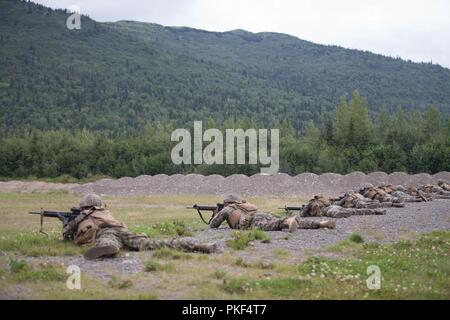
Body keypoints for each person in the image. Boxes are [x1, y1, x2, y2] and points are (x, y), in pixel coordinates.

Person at [63, 194, 219, 260]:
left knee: (109, 241)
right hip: (122, 230)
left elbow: (66, 235)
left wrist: (66, 222)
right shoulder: (103, 211)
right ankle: (199, 246)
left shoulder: (81, 216)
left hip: (106, 233)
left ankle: (107, 248)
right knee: (152, 243)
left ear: (83, 205)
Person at [209, 194, 335, 233]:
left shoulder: (227, 209)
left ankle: (287, 222)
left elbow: (213, 225)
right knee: (281, 221)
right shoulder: (243, 205)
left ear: (227, 203)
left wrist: (216, 214)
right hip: (262, 214)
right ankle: (321, 223)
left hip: (253, 221)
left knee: (275, 225)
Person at [301, 195, 386, 218]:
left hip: (328, 210)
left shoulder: (311, 204)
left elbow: (302, 215)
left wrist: (306, 208)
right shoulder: (323, 200)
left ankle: (342, 214)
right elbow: (336, 203)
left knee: (333, 213)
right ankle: (377, 211)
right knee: (355, 211)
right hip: (334, 206)